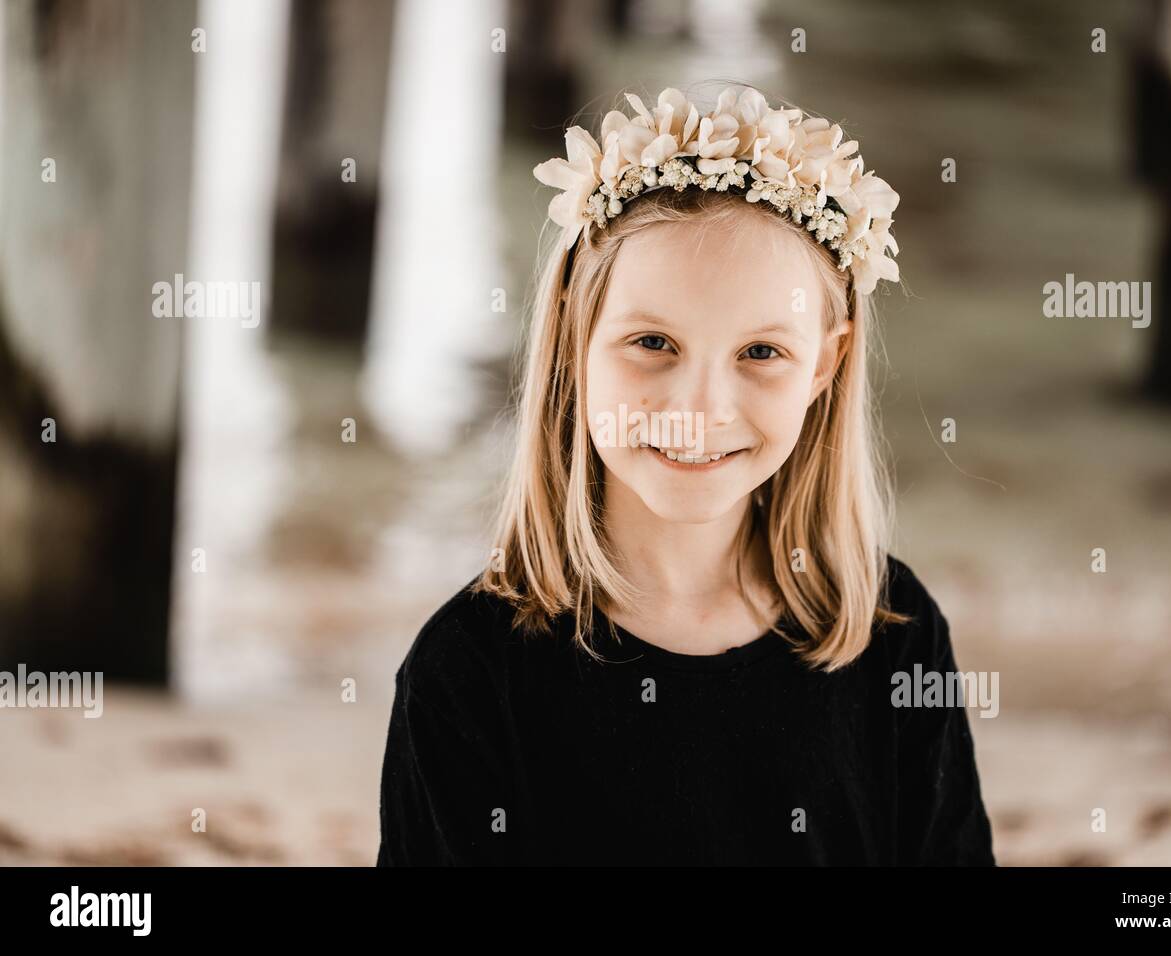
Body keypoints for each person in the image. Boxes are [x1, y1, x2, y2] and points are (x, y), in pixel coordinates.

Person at [377, 85, 995, 866]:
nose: (698, 409)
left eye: (761, 353)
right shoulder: (468, 675)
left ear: (824, 364)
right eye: (654, 343)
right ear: (574, 332)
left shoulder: (893, 633)